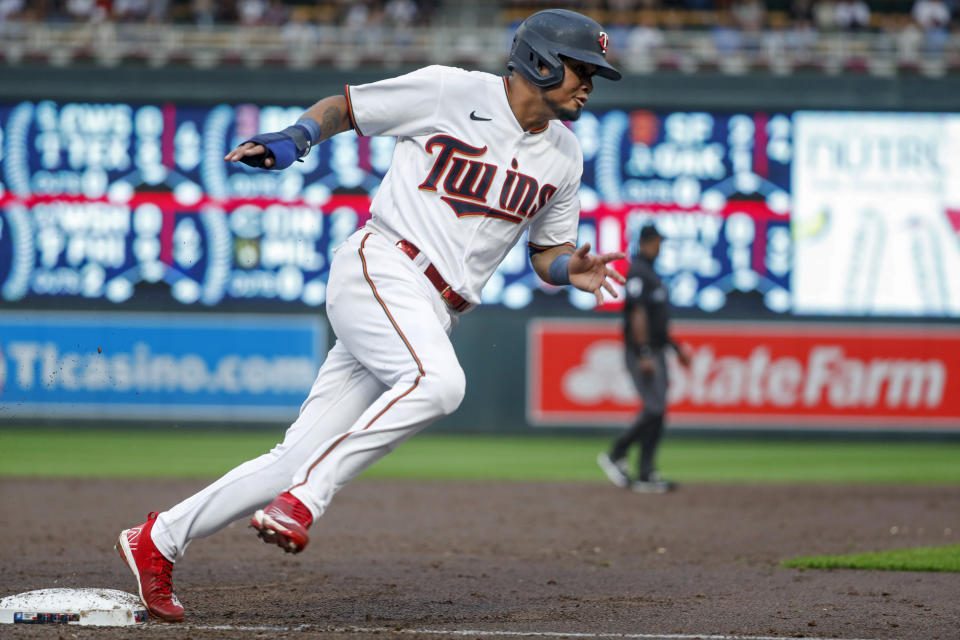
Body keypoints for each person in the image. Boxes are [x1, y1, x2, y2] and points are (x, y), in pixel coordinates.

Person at [114, 8, 625, 623]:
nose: (590, 83)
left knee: (288, 460)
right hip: (383, 265)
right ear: (540, 60)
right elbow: (349, 108)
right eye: (581, 68)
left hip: (432, 310)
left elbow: (547, 250)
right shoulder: (451, 90)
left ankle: (158, 538)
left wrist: (572, 269)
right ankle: (306, 502)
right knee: (440, 384)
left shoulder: (564, 155)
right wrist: (296, 137)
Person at [597, 223, 689, 494]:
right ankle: (616, 453)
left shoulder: (651, 273)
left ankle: (647, 472)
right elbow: (637, 313)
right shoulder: (638, 271)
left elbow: (657, 321)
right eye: (658, 241)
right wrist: (644, 352)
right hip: (643, 352)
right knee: (653, 408)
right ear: (647, 242)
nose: (660, 246)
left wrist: (676, 348)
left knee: (658, 412)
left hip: (657, 349)